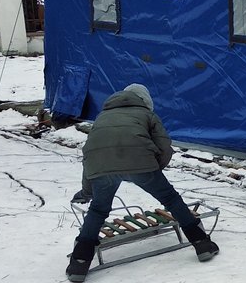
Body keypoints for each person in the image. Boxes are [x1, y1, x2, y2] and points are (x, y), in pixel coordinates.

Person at [65, 84, 219, 282]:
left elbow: (91, 155)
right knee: (170, 199)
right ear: (146, 101)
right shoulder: (147, 115)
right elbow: (165, 147)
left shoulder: (102, 118)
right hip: (142, 164)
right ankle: (201, 243)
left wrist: (88, 191)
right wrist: (155, 169)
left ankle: (79, 263)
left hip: (102, 168)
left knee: (98, 210)